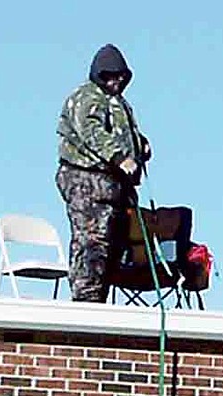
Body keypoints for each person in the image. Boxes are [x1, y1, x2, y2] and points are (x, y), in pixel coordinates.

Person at [56, 44, 151, 303]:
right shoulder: (86, 97)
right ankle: (86, 304)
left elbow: (119, 133)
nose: (116, 81)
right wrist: (120, 158)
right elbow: (92, 132)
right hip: (86, 180)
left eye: (120, 77)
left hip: (116, 188)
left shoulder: (120, 104)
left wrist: (140, 144)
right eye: (110, 75)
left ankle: (100, 301)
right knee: (92, 243)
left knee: (114, 247)